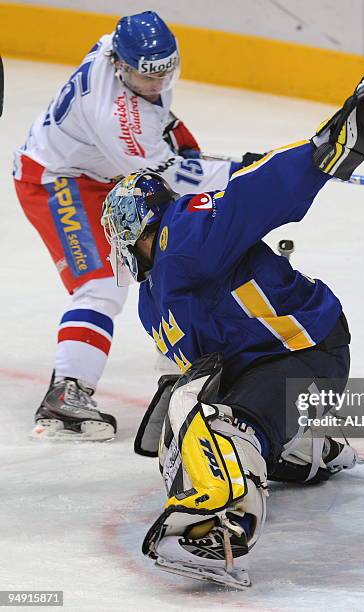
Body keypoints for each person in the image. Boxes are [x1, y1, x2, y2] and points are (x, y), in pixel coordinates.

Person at [101, 74, 364, 587]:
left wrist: (330, 146)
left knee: (221, 425)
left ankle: (222, 531)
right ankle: (310, 449)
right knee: (195, 417)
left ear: (136, 227)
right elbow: (197, 369)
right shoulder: (152, 301)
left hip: (308, 351)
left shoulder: (183, 237)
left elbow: (253, 195)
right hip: (269, 364)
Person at [13, 11, 255, 440]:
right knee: (103, 283)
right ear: (121, 67)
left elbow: (158, 127)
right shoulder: (117, 119)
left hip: (99, 169)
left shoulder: (120, 51)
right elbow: (168, 177)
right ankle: (65, 394)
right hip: (56, 178)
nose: (158, 84)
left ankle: (184, 368)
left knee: (159, 251)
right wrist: (244, 172)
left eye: (164, 72)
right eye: (148, 78)